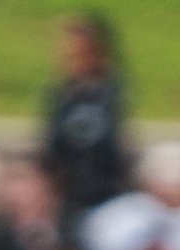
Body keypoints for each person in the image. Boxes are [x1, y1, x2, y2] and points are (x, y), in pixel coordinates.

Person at [41, 12, 129, 227]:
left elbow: (111, 149)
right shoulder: (60, 96)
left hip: (105, 197)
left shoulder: (109, 95)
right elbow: (51, 147)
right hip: (67, 197)